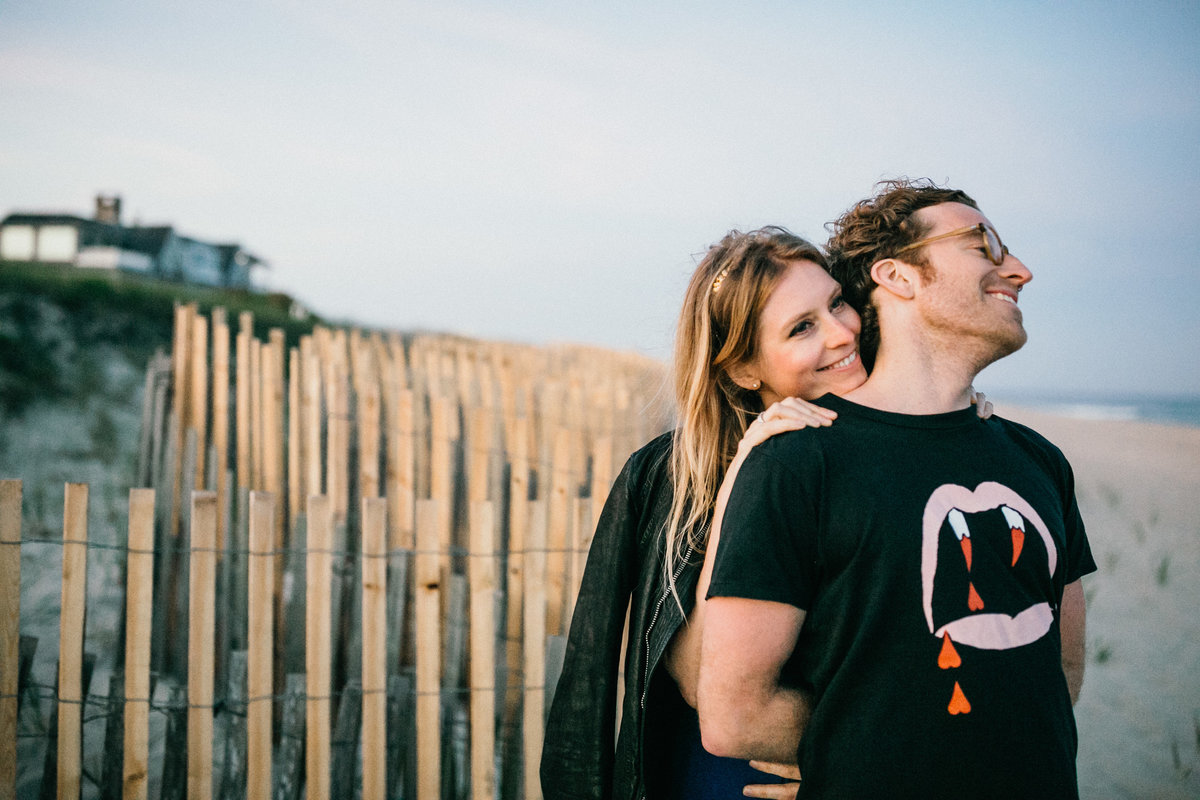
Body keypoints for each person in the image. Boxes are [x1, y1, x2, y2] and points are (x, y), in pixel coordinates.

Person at [540, 224, 993, 800]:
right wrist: (741, 481)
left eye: (836, 303)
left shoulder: (877, 449)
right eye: (802, 327)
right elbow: (695, 677)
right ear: (744, 369)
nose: (840, 333)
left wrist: (948, 418)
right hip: (740, 777)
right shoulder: (680, 474)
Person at [698, 180, 1096, 799]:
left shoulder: (1038, 459)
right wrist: (849, 759)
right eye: (982, 244)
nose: (1019, 271)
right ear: (898, 278)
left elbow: (1059, 671)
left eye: (834, 307)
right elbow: (732, 713)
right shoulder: (795, 463)